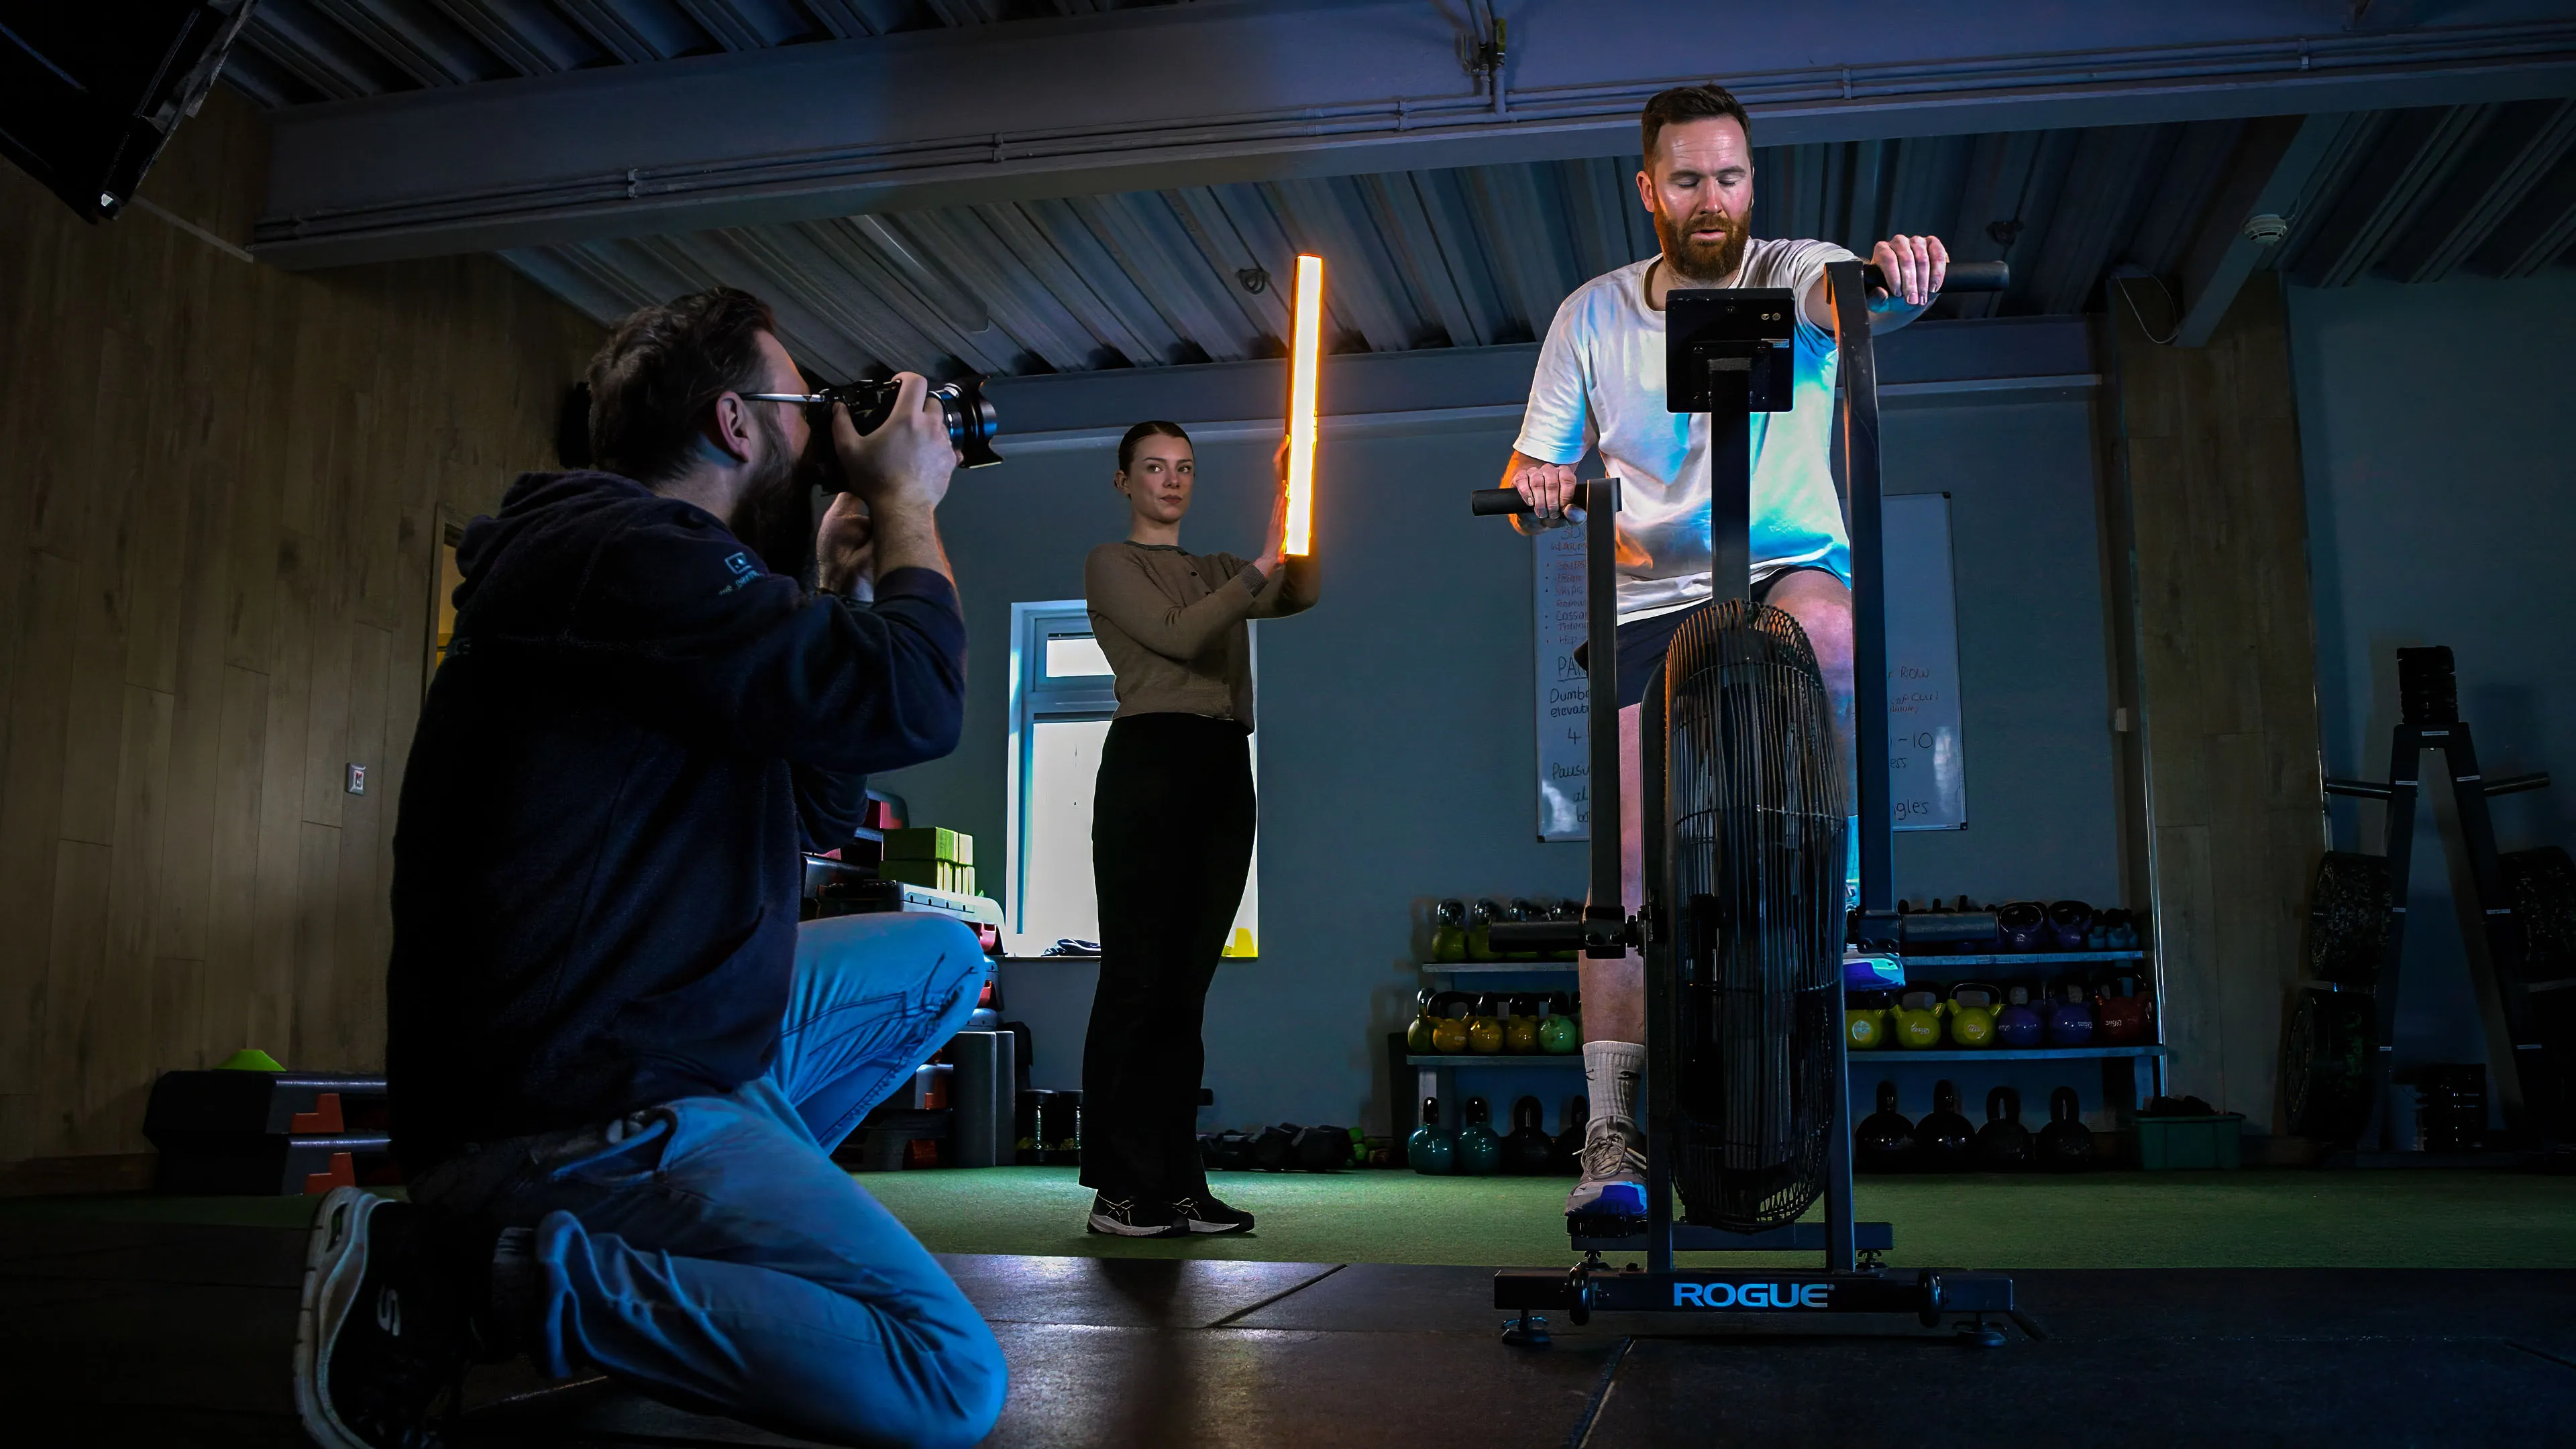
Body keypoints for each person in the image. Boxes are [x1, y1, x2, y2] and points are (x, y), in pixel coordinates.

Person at [293, 286, 1008, 1449]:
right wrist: (909, 501)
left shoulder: (657, 582)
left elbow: (810, 814)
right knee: (945, 1380)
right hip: (578, 1109)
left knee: (936, 956)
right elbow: (916, 698)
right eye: (802, 403)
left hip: (652, 1044)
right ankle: (486, 1277)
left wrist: (839, 592)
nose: (821, 424)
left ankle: (687, 1248)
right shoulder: (623, 552)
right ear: (736, 423)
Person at [1501, 84, 1953, 1221]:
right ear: (1649, 189)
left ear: (1756, 182)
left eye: (1733, 176)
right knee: (1626, 870)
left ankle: (1849, 898)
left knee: (1834, 632)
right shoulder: (1592, 316)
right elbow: (1528, 477)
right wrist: (1543, 488)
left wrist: (1892, 280)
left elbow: (1849, 304)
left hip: (1787, 563)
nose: (1715, 201)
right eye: (1690, 180)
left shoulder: (1797, 268)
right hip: (1656, 594)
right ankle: (1611, 1140)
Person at [1077, 423, 1320, 1236]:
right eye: (1154, 467)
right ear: (1124, 483)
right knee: (1138, 982)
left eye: (1184, 468)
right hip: (1150, 764)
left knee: (1186, 994)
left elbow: (1302, 590)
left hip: (1222, 767)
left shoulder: (1220, 568)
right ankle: (1120, 1189)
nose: (1171, 481)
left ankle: (1179, 1183)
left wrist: (1298, 506)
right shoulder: (1113, 564)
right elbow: (1180, 635)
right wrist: (1259, 562)